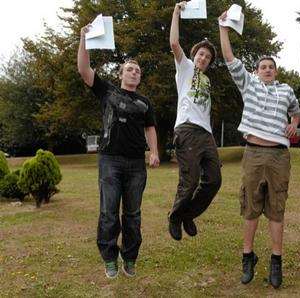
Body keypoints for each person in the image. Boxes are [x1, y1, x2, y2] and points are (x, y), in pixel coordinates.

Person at [219, 12, 300, 289]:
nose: (266, 69)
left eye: (270, 66)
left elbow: (296, 114)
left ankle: (276, 262)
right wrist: (223, 28)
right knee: (251, 209)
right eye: (262, 66)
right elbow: (230, 58)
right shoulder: (249, 85)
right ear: (256, 71)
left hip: (279, 155)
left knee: (277, 209)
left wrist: (293, 123)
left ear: (276, 71)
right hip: (253, 153)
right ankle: (248, 256)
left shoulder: (287, 90)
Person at [77, 23, 160, 279]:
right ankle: (109, 258)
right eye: (130, 69)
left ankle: (130, 258)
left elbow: (150, 129)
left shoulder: (145, 103)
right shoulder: (107, 91)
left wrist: (154, 151)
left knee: (133, 215)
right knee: (109, 212)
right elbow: (83, 69)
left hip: (136, 164)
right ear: (121, 74)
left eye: (137, 71)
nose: (134, 73)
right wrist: (83, 38)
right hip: (110, 161)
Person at [168, 1, 222, 241]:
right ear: (194, 55)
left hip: (206, 134)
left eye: (208, 57)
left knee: (214, 180)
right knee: (189, 181)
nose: (204, 58)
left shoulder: (208, 80)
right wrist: (176, 14)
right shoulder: (185, 68)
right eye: (201, 54)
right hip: (187, 130)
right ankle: (175, 216)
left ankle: (188, 213)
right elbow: (174, 43)